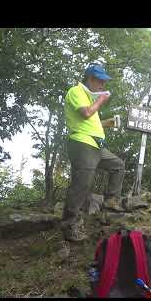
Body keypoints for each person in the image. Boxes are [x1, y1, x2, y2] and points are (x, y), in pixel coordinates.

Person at [61, 63, 125, 242]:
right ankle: (69, 226)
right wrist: (100, 100)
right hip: (82, 143)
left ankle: (110, 202)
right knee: (82, 183)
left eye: (104, 81)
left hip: (97, 146)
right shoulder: (76, 92)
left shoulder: (90, 97)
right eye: (100, 80)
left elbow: (91, 120)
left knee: (118, 166)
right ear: (90, 79)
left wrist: (108, 123)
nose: (103, 85)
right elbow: (86, 113)